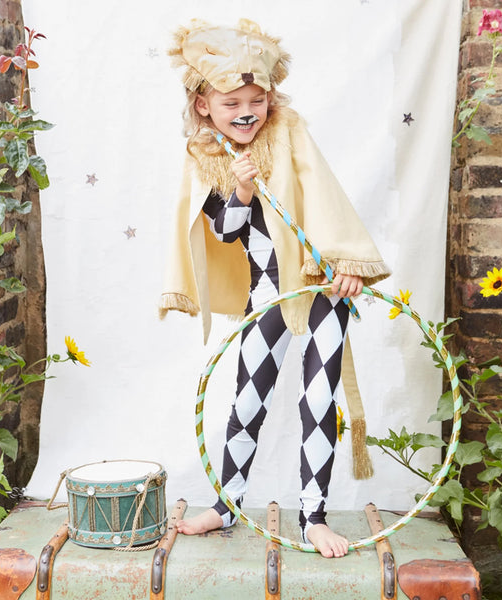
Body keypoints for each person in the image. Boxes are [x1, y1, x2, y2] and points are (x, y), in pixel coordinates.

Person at [159, 18, 390, 558]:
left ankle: (314, 517)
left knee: (318, 399)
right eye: (230, 101)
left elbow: (324, 198)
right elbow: (222, 230)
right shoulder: (207, 156)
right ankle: (225, 504)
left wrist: (343, 263)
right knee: (247, 399)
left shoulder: (290, 133)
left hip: (318, 289)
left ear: (270, 99)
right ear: (202, 106)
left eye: (256, 100)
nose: (245, 111)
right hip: (267, 292)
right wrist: (239, 188)